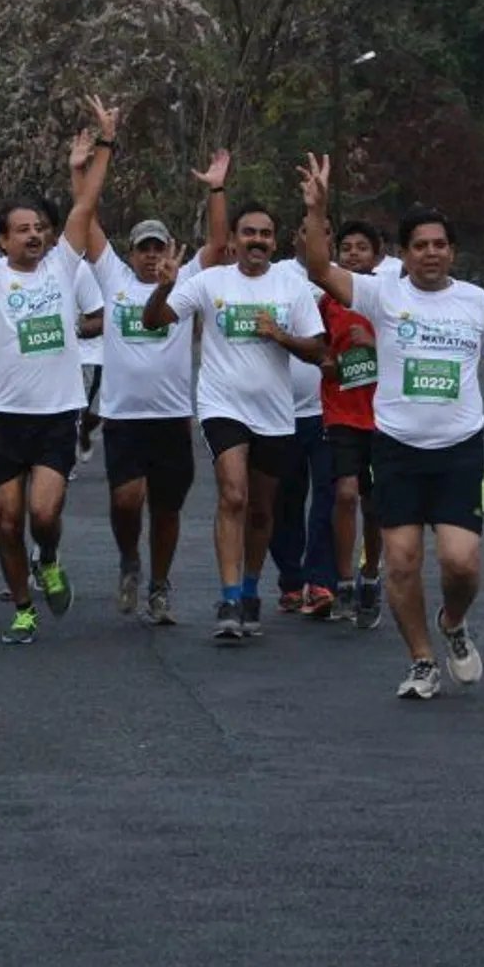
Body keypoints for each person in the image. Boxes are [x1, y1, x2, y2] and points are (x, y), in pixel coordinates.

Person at [299, 155, 484, 699]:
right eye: (420, 245)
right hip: (396, 451)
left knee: (460, 562)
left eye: (439, 244)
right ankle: (421, 660)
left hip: (459, 452)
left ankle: (452, 622)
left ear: (451, 251)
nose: (431, 253)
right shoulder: (383, 294)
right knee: (402, 562)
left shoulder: (475, 302)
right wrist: (317, 210)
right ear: (404, 255)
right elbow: (319, 269)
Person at [0, 96, 109, 645]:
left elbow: (86, 206)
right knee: (5, 520)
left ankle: (48, 557)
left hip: (57, 416)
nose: (34, 235)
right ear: (1, 239)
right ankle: (25, 609)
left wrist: (107, 143)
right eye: (22, 229)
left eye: (40, 228)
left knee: (42, 513)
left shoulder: (61, 266)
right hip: (4, 419)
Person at [143, 193, 326, 644]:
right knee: (233, 494)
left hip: (275, 414)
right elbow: (154, 321)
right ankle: (227, 598)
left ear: (274, 240)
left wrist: (279, 335)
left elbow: (319, 349)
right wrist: (164, 285)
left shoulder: (292, 286)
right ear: (235, 241)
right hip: (222, 405)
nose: (257, 241)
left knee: (262, 510)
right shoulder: (211, 282)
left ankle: (249, 591)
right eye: (249, 233)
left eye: (264, 234)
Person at [85, 158, 231, 625]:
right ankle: (130, 558)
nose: (151, 257)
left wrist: (216, 190)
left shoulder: (187, 279)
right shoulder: (114, 280)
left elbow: (219, 244)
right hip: (123, 418)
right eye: (143, 249)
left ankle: (159, 585)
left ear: (170, 249)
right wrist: (84, 167)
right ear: (130, 254)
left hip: (170, 417)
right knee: (127, 500)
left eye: (158, 247)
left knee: (167, 509)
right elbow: (85, 217)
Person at [317, 219, 386, 627]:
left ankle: (371, 575)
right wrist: (324, 361)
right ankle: (343, 583)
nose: (354, 253)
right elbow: (318, 346)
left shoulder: (390, 297)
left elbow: (409, 343)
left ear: (377, 255)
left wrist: (375, 344)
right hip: (341, 409)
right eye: (347, 247)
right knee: (344, 495)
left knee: (374, 504)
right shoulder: (327, 300)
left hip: (382, 414)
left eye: (363, 247)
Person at [272, 241, 337, 617]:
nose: (316, 238)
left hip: (329, 410)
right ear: (295, 236)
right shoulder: (278, 276)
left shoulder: (342, 281)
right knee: (286, 501)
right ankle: (291, 581)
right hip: (281, 413)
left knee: (329, 496)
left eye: (326, 232)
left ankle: (321, 580)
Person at [74, 262, 106, 469]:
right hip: (63, 357)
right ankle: (91, 423)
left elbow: (101, 317)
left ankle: (65, 466)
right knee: (72, 412)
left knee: (73, 412)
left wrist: (71, 328)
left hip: (89, 356)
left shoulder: (82, 269)